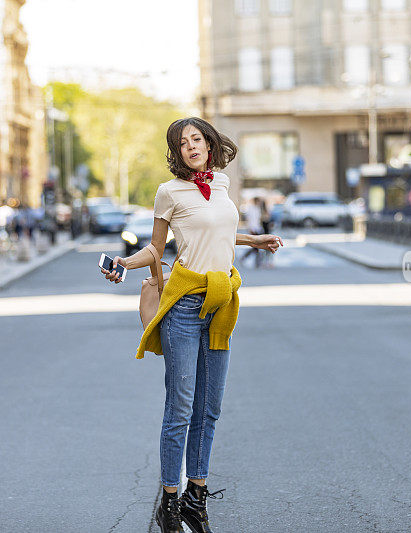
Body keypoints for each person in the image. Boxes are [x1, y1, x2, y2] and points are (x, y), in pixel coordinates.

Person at [101, 117, 283, 533]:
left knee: (210, 408)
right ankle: (169, 500)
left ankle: (195, 498)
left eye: (196, 139)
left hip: (220, 303)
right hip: (184, 308)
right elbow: (156, 248)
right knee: (180, 408)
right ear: (177, 152)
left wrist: (255, 241)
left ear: (208, 143)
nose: (191, 146)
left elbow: (221, 232)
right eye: (182, 143)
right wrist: (124, 264)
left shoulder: (219, 184)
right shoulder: (168, 193)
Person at [240, 196, 264, 268]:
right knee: (256, 246)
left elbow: (258, 220)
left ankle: (247, 258)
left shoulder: (258, 209)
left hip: (258, 229)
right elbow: (249, 220)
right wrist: (250, 228)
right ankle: (256, 262)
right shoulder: (251, 208)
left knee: (256, 247)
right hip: (253, 229)